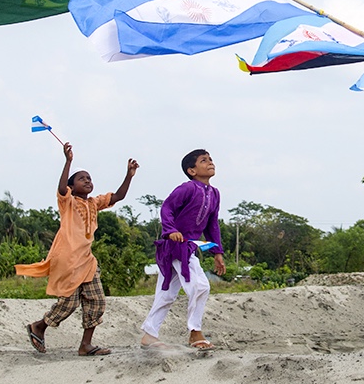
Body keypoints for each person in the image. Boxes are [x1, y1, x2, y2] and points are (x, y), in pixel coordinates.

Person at [20, 142, 138, 356]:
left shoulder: (94, 203)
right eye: (82, 178)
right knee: (69, 303)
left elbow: (118, 196)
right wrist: (68, 161)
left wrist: (129, 175)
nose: (87, 181)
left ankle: (86, 345)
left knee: (97, 301)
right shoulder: (68, 202)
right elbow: (60, 188)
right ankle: (39, 326)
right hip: (67, 260)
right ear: (72, 187)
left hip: (86, 260)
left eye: (89, 178)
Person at [140, 149, 226, 352]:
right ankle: (195, 332)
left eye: (211, 159)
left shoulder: (214, 194)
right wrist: (170, 231)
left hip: (189, 247)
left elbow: (212, 225)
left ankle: (149, 335)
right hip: (176, 246)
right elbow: (167, 208)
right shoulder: (187, 188)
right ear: (192, 170)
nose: (210, 163)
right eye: (204, 161)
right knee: (201, 286)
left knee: (167, 294)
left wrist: (217, 253)